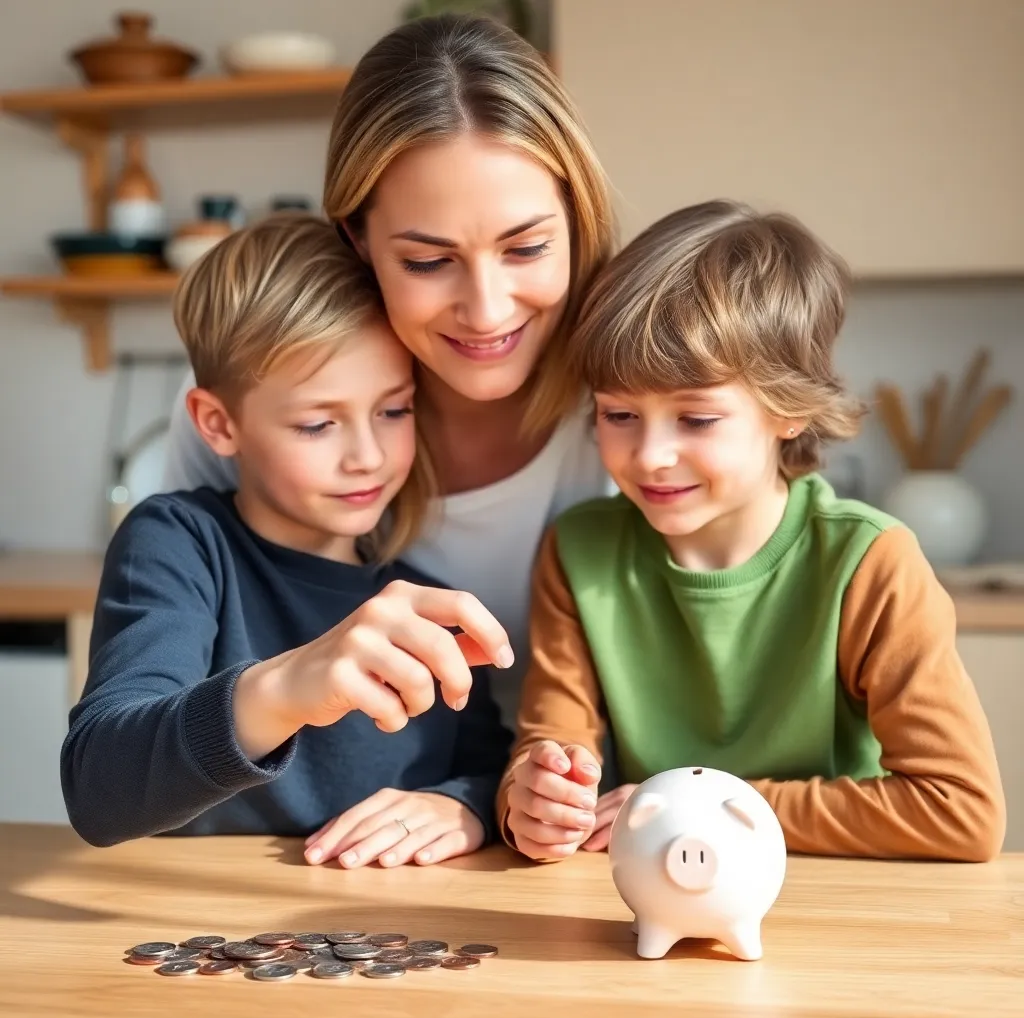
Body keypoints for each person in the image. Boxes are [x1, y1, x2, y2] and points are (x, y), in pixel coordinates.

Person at [498, 200, 1007, 864]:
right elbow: (551, 741)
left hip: (830, 908)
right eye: (619, 413)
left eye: (696, 419)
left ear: (789, 409)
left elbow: (959, 812)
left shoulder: (870, 563)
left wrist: (701, 807)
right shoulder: (579, 550)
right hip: (649, 898)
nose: (649, 454)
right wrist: (532, 798)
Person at [160, 14, 618, 735]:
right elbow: (177, 684)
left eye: (526, 248)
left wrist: (471, 803)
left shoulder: (632, 403)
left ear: (577, 219)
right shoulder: (258, 387)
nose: (487, 310)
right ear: (358, 240)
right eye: (429, 262)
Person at [61, 213, 514, 870]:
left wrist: (465, 806)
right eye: (316, 424)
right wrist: (289, 685)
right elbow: (99, 789)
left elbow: (490, 768)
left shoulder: (423, 605)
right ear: (219, 424)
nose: (366, 456)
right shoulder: (181, 544)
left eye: (393, 410)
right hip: (190, 936)